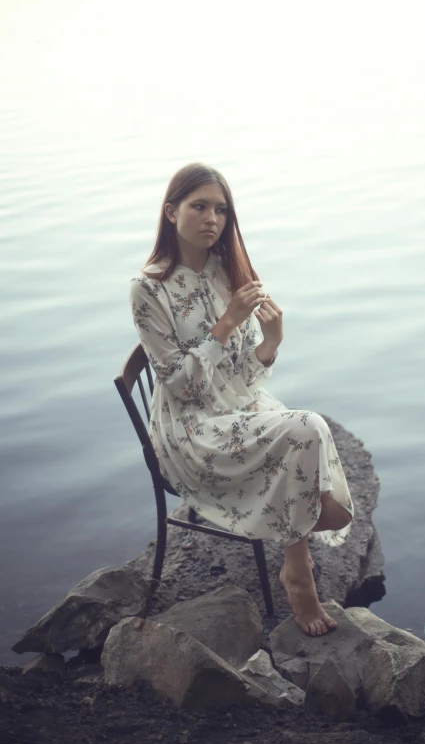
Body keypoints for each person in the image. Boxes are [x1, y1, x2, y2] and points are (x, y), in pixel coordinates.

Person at [129, 162, 354, 637]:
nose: (213, 219)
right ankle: (299, 572)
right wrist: (228, 323)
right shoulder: (148, 288)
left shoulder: (225, 272)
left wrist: (270, 342)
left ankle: (295, 559)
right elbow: (183, 387)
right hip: (190, 429)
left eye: (222, 210)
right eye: (200, 206)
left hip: (234, 405)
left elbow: (243, 379)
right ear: (171, 212)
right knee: (307, 427)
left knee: (306, 429)